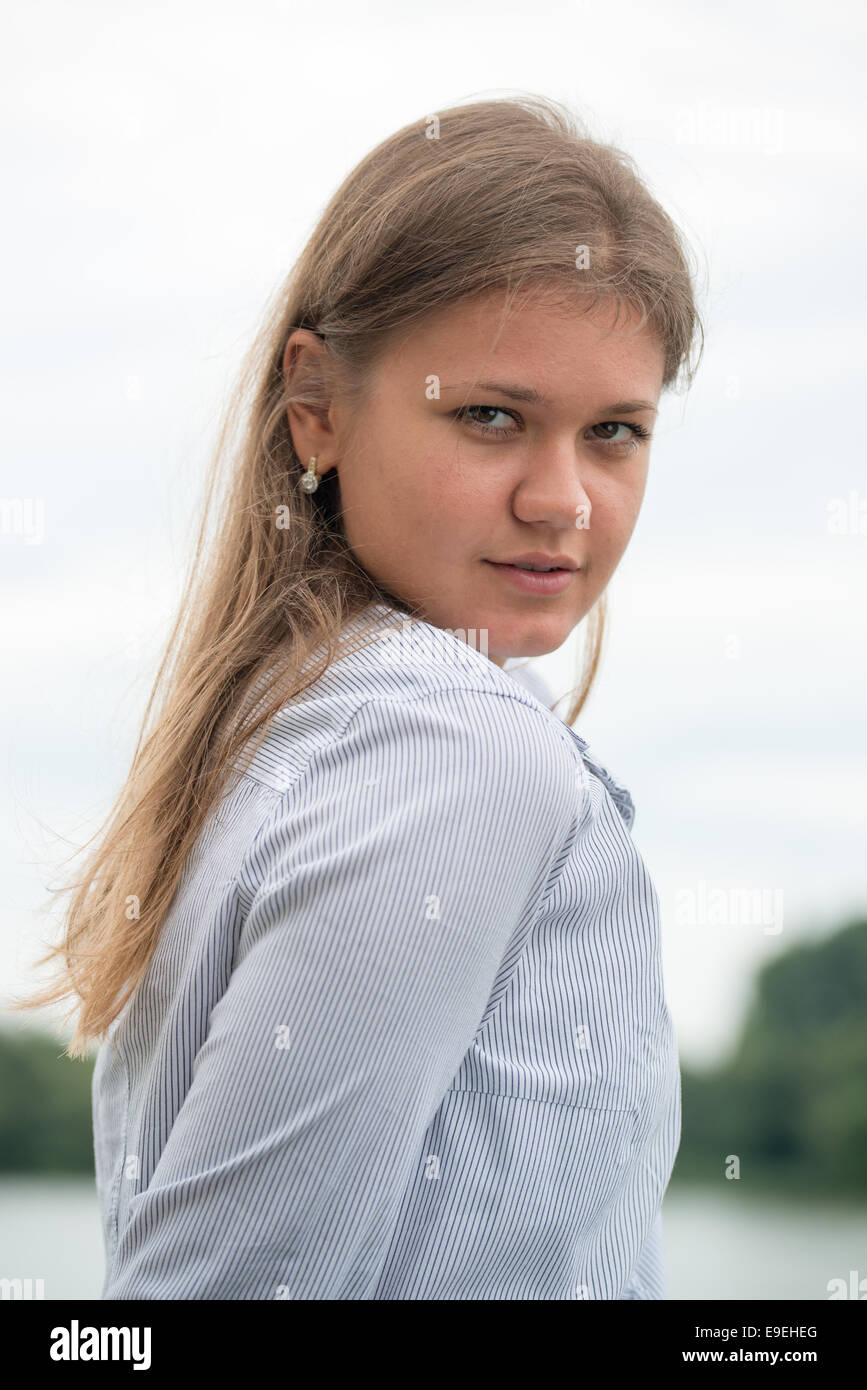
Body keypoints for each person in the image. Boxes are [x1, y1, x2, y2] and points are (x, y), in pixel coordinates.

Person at [15, 93, 703, 1299]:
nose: (565, 499)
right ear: (317, 407)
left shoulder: (285, 714)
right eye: (491, 417)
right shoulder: (457, 754)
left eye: (615, 432)